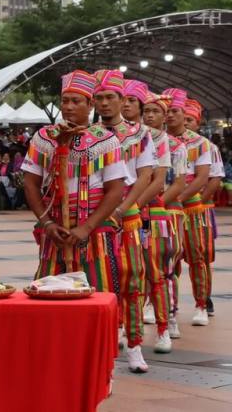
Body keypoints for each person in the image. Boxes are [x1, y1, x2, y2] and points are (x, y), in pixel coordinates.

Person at [22, 70, 125, 374]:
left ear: (89, 103)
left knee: (100, 293)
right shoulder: (43, 138)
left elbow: (115, 189)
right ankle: (54, 359)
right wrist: (46, 223)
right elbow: (30, 183)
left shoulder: (106, 140)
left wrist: (86, 227)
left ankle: (100, 364)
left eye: (75, 101)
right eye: (64, 100)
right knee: (47, 293)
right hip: (54, 231)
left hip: (94, 233)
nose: (68, 107)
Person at [94, 70, 154, 373]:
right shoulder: (86, 134)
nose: (105, 104)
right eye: (100, 98)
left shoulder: (139, 134)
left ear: (122, 100)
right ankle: (103, 353)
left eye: (111, 98)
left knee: (132, 280)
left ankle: (134, 345)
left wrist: (123, 208)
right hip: (95, 219)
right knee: (99, 284)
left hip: (127, 216)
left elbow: (146, 176)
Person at [123, 82, 176, 354]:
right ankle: (125, 327)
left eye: (133, 100)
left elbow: (157, 181)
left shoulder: (155, 137)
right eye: (124, 99)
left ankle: (164, 328)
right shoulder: (105, 134)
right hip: (115, 214)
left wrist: (131, 206)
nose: (127, 105)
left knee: (154, 271)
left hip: (149, 213)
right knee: (123, 272)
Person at [164, 88, 213, 327]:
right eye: (168, 111)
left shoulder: (201, 143)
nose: (170, 116)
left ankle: (201, 305)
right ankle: (164, 306)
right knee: (165, 258)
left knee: (196, 257)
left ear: (185, 114)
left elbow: (202, 178)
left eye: (175, 111)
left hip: (190, 207)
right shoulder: (156, 140)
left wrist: (178, 198)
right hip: (165, 208)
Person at [142, 92, 188, 341]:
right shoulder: (134, 140)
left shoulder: (176, 146)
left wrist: (155, 205)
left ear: (165, 117)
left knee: (166, 266)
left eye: (155, 111)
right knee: (140, 264)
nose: (150, 116)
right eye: (146, 111)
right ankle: (146, 307)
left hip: (165, 212)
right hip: (140, 211)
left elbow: (178, 184)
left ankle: (170, 316)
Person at [186, 99, 223, 317]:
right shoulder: (168, 144)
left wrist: (198, 203)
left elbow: (215, 178)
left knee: (202, 256)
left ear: (197, 123)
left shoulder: (208, 146)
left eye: (191, 120)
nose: (187, 123)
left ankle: (204, 298)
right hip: (176, 207)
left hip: (200, 209)